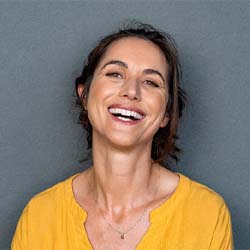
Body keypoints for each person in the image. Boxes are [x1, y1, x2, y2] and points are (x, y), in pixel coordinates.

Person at [11, 22, 234, 249]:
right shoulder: (39, 217)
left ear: (166, 113)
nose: (131, 91)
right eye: (115, 74)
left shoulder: (207, 214)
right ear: (85, 95)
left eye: (150, 82)